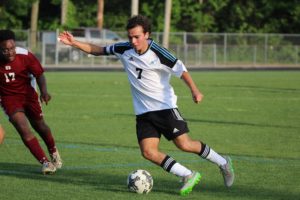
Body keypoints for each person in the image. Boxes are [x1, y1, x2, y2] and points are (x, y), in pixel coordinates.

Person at [58, 15, 234, 195]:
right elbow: (99, 50)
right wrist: (74, 43)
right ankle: (187, 175)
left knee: (184, 144)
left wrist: (195, 90)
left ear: (147, 34)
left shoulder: (159, 53)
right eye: (130, 37)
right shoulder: (124, 49)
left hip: (165, 108)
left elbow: (181, 70)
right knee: (148, 152)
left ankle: (223, 162)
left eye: (137, 37)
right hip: (143, 112)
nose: (133, 41)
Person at [0, 29, 62, 174]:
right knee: (23, 128)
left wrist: (44, 92)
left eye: (12, 48)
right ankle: (45, 163)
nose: (10, 52)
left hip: (29, 95)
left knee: (40, 126)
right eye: (5, 50)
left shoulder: (25, 55)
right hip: (8, 99)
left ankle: (53, 152)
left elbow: (39, 74)